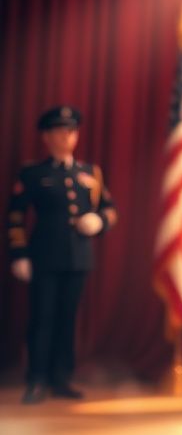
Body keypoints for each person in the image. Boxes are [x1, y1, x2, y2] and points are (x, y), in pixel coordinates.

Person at [7, 106, 117, 404]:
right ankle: (37, 380)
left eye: (72, 131)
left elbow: (109, 208)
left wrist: (100, 222)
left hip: (78, 257)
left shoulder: (90, 173)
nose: (67, 136)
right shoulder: (33, 173)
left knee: (68, 320)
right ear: (46, 136)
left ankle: (61, 378)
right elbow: (15, 215)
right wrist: (19, 253)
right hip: (44, 256)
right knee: (42, 318)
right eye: (60, 131)